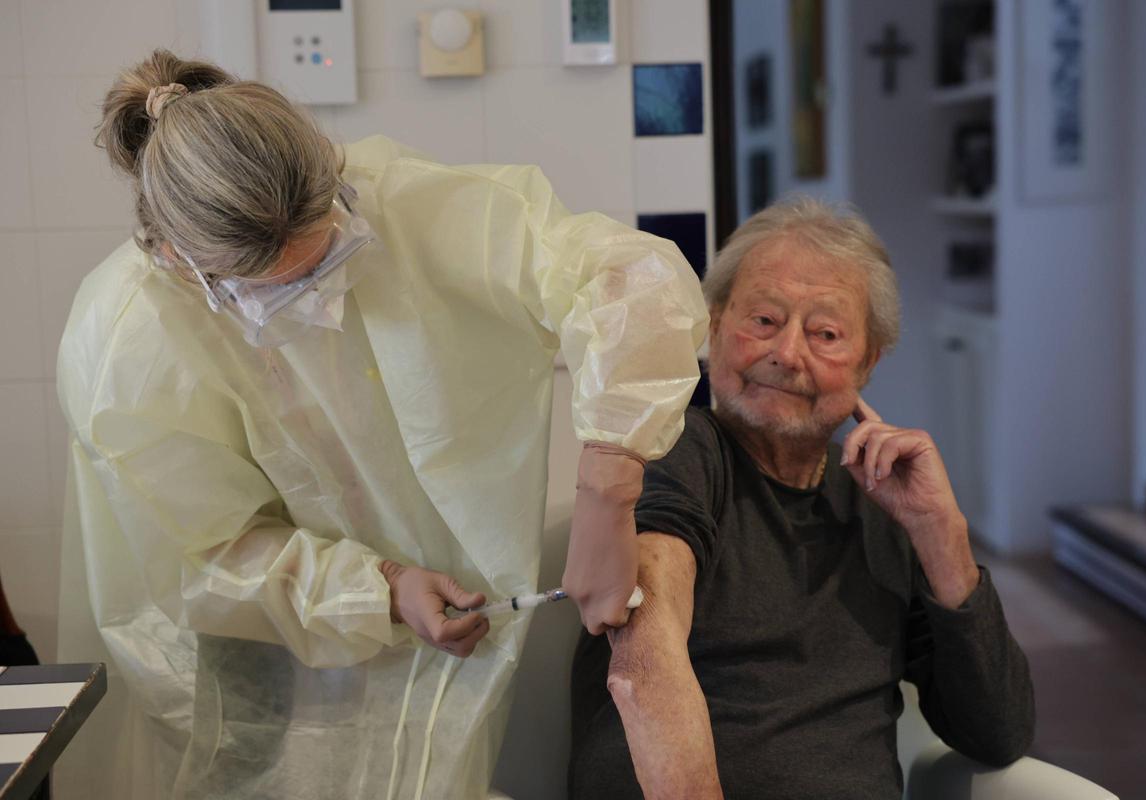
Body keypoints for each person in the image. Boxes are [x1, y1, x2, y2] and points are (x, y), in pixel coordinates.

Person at [54, 50, 707, 800]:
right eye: (277, 290)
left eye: (329, 255)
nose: (321, 300)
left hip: (451, 651)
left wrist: (607, 488)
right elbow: (204, 558)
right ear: (181, 262)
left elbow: (630, 279)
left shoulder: (404, 202)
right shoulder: (127, 348)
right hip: (264, 674)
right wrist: (381, 589)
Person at [570, 198, 1034, 799]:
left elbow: (997, 733)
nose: (787, 353)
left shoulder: (884, 506)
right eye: (764, 320)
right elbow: (644, 661)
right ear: (715, 325)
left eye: (825, 334)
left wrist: (940, 532)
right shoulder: (679, 451)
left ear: (868, 361)